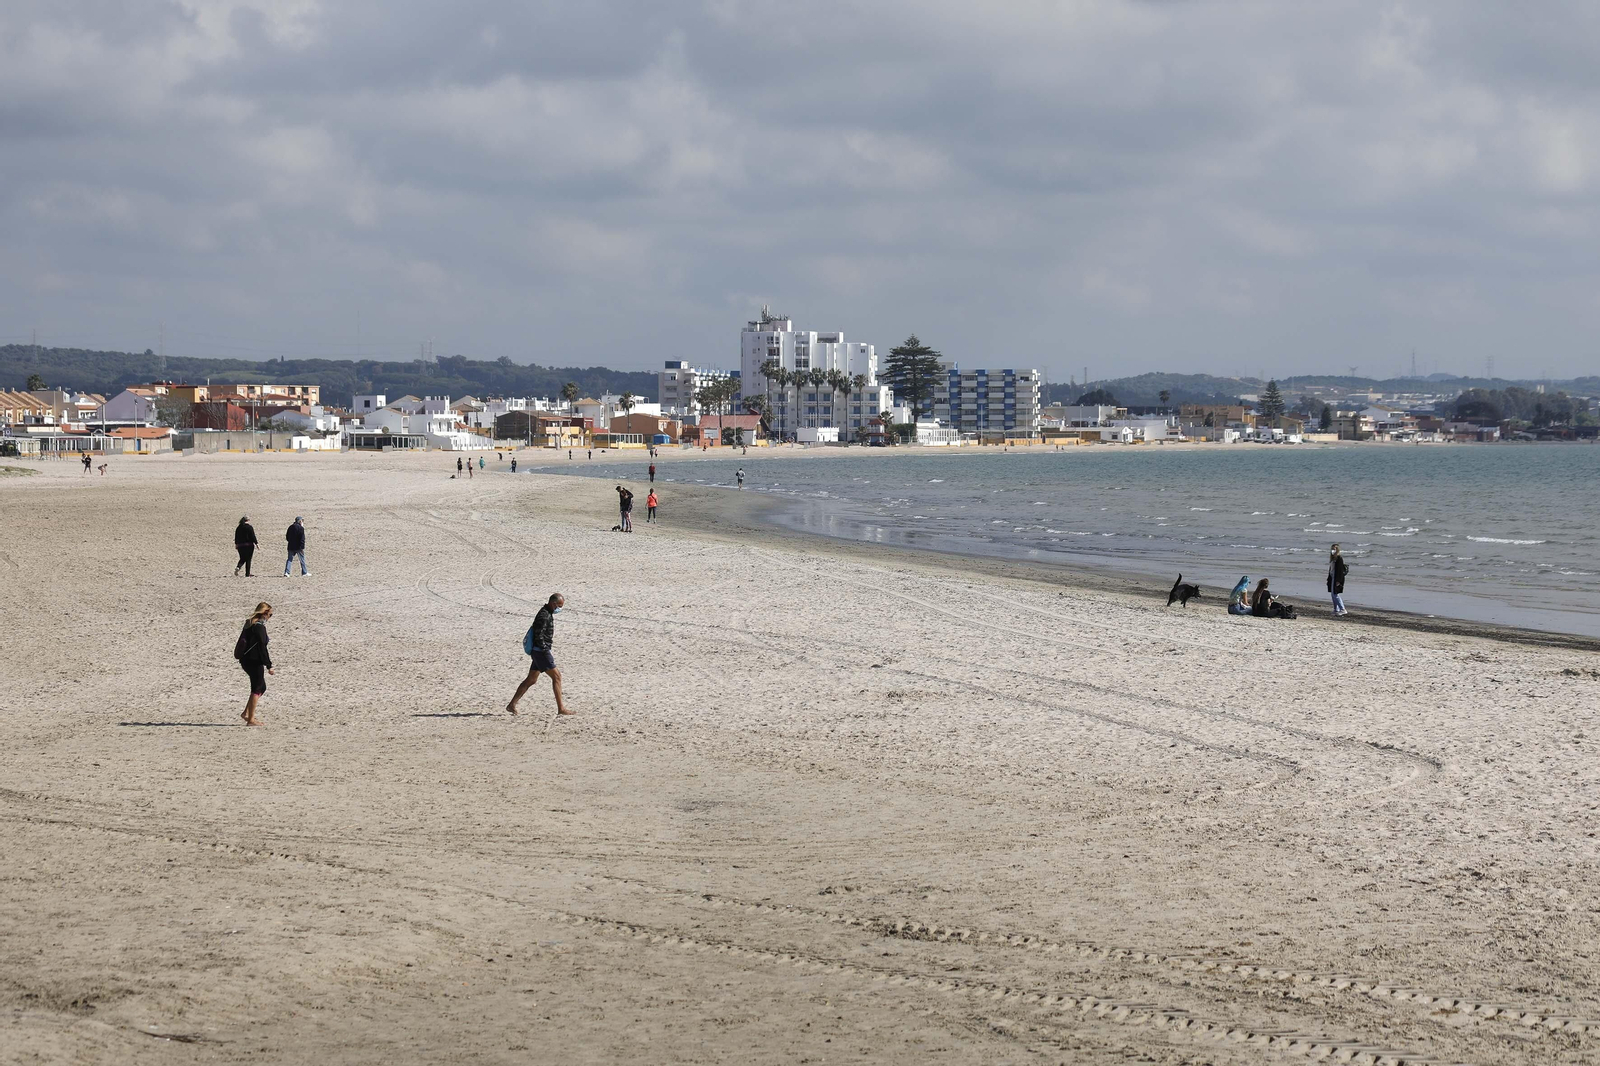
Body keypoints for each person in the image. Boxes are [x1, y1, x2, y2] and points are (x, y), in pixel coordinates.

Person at [507, 593, 570, 716]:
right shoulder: (544, 615)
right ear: (553, 603)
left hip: (538, 652)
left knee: (531, 679)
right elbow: (538, 635)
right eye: (559, 606)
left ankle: (511, 705)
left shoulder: (547, 613)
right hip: (540, 652)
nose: (559, 609)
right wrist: (545, 650)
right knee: (557, 677)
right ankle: (561, 709)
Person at [235, 602, 275, 726]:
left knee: (261, 687)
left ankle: (246, 713)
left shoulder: (249, 624)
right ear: (264, 613)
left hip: (246, 660)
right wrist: (269, 665)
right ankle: (251, 720)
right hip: (254, 661)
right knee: (257, 688)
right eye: (270, 615)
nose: (270, 617)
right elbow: (262, 647)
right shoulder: (259, 627)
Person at [1328, 543, 1350, 616]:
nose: (1333, 550)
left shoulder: (1339, 559)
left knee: (1335, 594)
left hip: (1336, 578)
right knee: (1333, 594)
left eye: (1334, 549)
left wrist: (1338, 581)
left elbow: (1339, 571)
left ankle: (1342, 609)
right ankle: (1336, 609)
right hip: (1332, 577)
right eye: (1332, 549)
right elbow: (1331, 569)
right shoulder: (1332, 559)